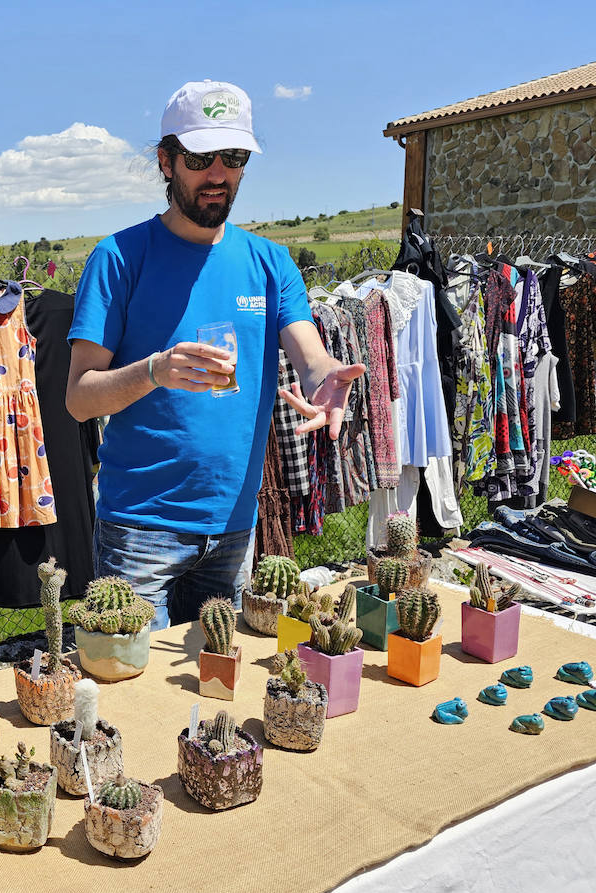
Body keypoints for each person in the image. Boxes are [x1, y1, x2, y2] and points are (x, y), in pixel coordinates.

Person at [66, 80, 363, 628]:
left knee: (219, 692)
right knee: (138, 698)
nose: (219, 174)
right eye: (201, 157)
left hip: (234, 529)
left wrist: (325, 379)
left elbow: (310, 355)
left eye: (234, 157)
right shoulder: (118, 259)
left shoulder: (270, 262)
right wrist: (156, 370)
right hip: (139, 533)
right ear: (166, 161)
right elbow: (81, 399)